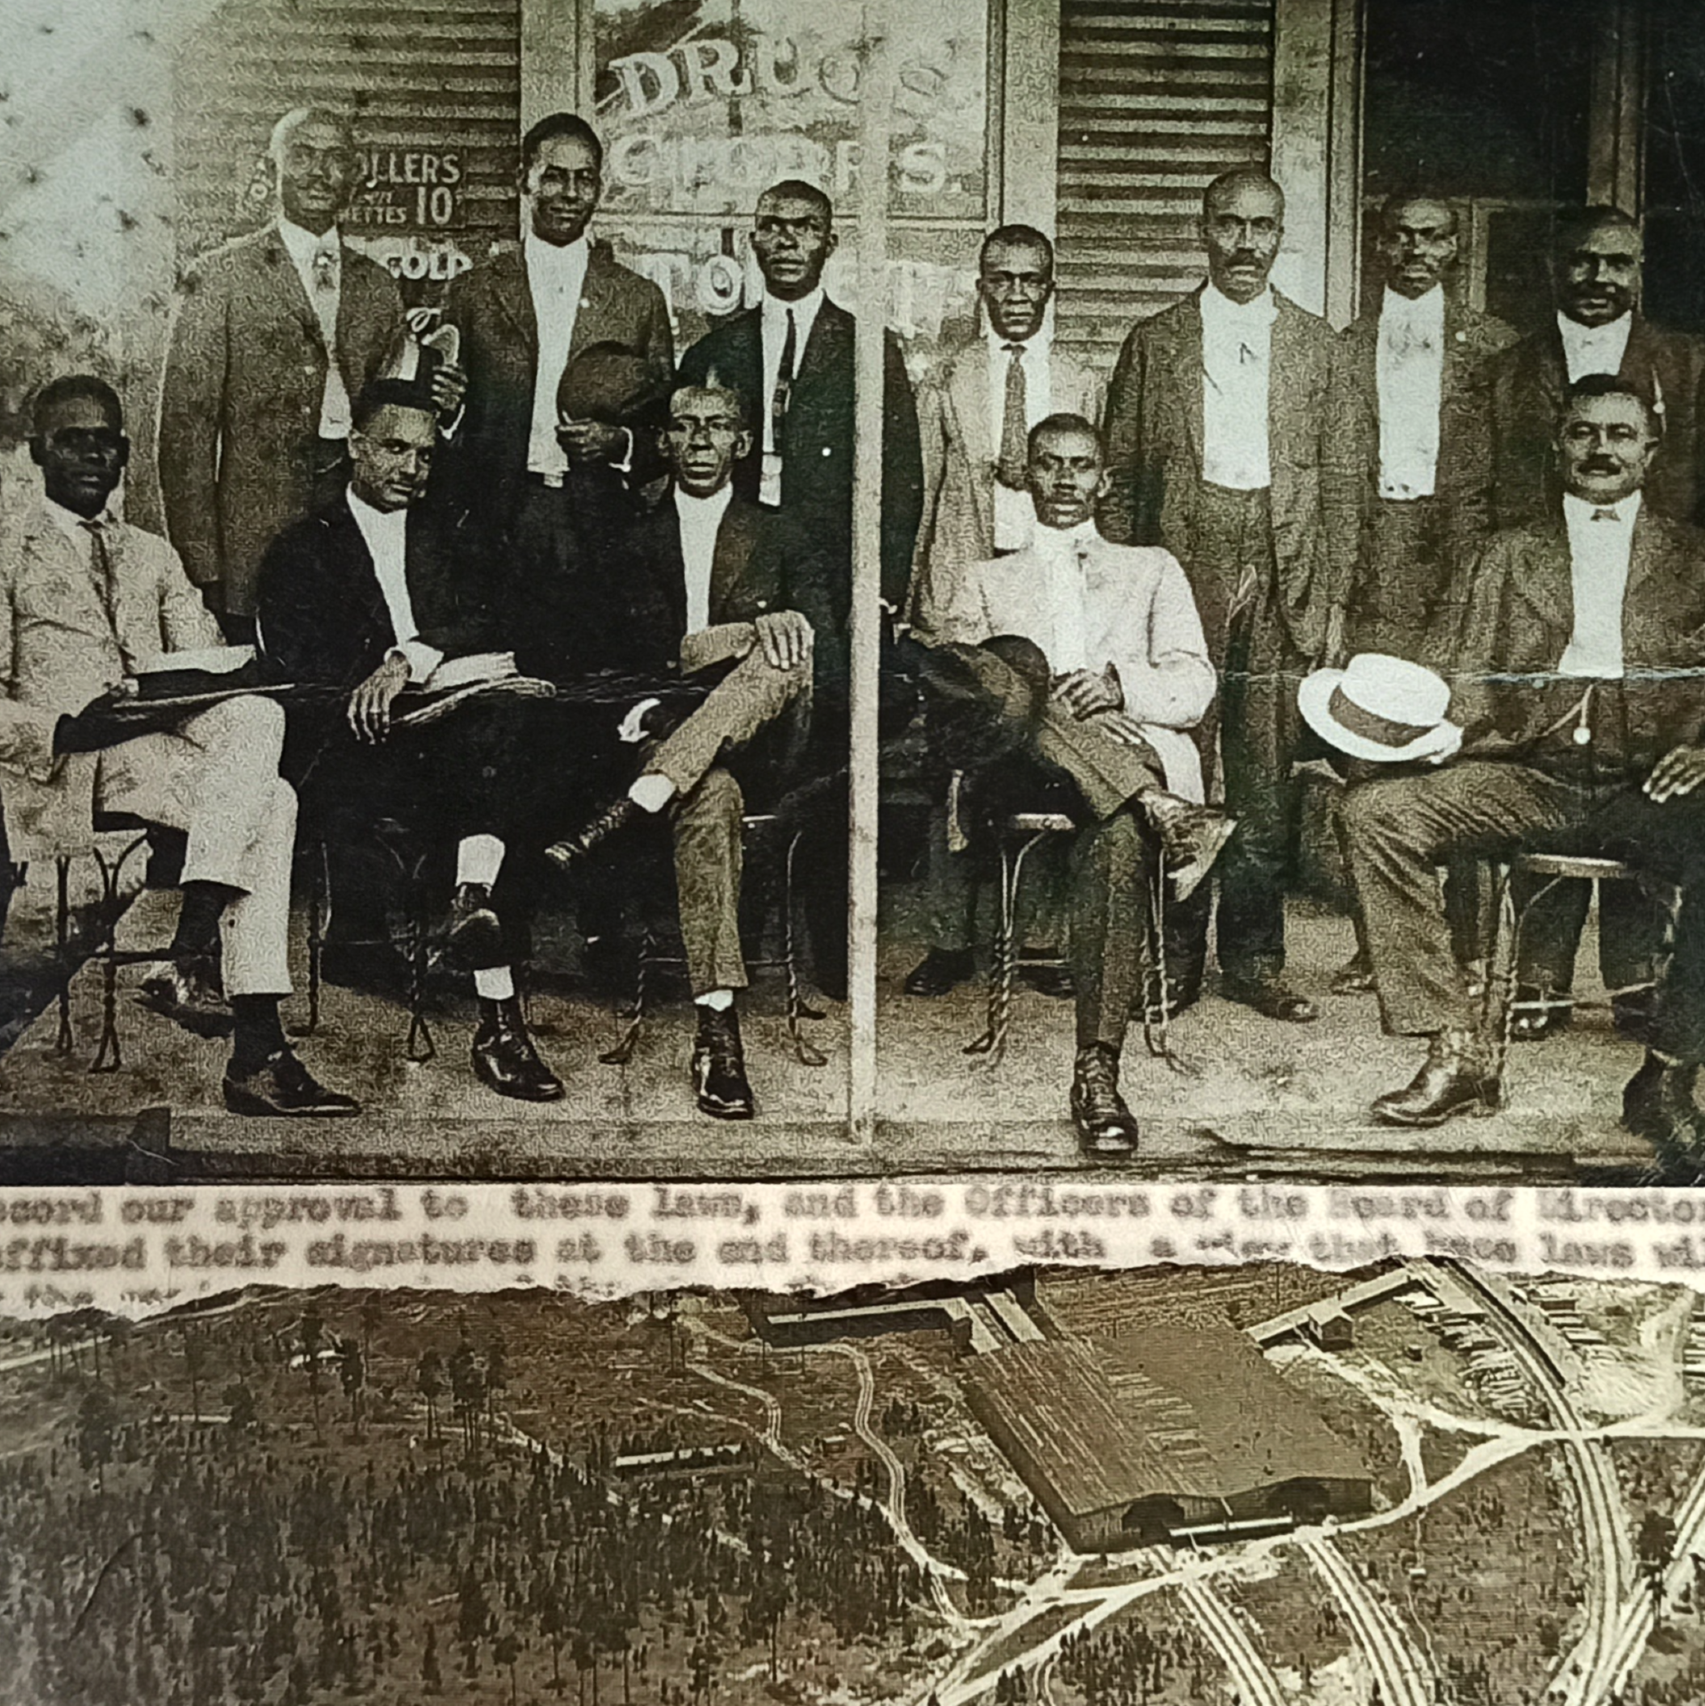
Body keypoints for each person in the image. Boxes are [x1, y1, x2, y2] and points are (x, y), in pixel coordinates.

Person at [1340, 376, 1705, 1161]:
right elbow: (1450, 671)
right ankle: (1454, 1048)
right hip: (1529, 771)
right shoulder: (1503, 552)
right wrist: (1410, 739)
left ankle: (1667, 1076)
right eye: (1582, 433)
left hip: (1648, 782)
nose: (1600, 449)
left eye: (1618, 433)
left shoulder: (1693, 555)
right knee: (1374, 815)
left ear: (1649, 448)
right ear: (1555, 448)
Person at [0, 376, 358, 1116]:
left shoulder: (150, 554)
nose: (95, 454)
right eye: (75, 439)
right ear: (38, 449)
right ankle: (243, 1030)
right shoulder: (8, 551)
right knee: (272, 799)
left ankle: (195, 959)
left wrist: (205, 680)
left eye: (109, 440)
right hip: (72, 761)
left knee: (260, 729)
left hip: (160, 747)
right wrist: (63, 728)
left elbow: (202, 659)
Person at [256, 380, 567, 1104]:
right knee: (497, 769)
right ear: (354, 447)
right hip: (355, 757)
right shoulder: (304, 549)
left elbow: (496, 621)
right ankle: (492, 989)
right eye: (394, 448)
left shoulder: (451, 535)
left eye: (426, 455)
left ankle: (475, 923)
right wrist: (377, 691)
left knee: (507, 731)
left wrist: (411, 660)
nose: (412, 469)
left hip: (445, 746)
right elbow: (303, 681)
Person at [931, 413, 1228, 1156]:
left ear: (1104, 480)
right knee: (1015, 689)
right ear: (1024, 475)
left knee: (1119, 832)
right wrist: (1042, 701)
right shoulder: (984, 577)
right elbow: (960, 698)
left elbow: (1194, 683)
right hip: (1018, 771)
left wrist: (1118, 687)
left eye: (1080, 465)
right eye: (1048, 464)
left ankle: (1096, 1068)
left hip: (1115, 765)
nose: (1064, 480)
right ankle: (1159, 804)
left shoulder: (1150, 567)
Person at [676, 178, 924, 998]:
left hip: (833, 589)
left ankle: (831, 943)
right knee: (732, 746)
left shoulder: (866, 347)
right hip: (739, 579)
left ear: (828, 243)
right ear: (752, 239)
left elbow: (899, 480)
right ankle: (732, 942)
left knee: (831, 757)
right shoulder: (718, 346)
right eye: (771, 227)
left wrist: (880, 591)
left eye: (803, 228)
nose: (785, 241)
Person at [1100, 167, 1336, 1024]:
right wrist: (1128, 598)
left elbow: (1341, 483)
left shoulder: (1317, 346)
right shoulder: (1155, 340)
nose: (1245, 242)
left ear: (1281, 235)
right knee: (1176, 760)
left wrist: (1329, 600)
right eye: (1229, 224)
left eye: (1261, 226)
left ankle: (1256, 959)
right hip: (1180, 563)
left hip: (1279, 566)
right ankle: (1170, 958)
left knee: (1266, 776)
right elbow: (1119, 476)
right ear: (1202, 231)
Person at [1473, 206, 1705, 1041]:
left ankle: (1634, 980)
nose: (1599, 278)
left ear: (1639, 270)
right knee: (1550, 761)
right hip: (1538, 594)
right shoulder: (1508, 369)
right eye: (1580, 262)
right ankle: (1536, 977)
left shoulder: (1686, 362)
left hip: (1657, 600)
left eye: (1617, 262)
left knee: (1643, 764)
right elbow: (1476, 491)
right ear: (1550, 268)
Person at [157, 107, 461, 639]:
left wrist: (439, 399)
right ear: (270, 169)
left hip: (354, 532)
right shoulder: (218, 278)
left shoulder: (376, 285)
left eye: (335, 158)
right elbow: (185, 437)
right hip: (253, 538)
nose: (319, 172)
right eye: (302, 155)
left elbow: (395, 413)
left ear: (355, 177)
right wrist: (202, 568)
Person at [1320, 193, 1516, 997]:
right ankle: (1383, 947)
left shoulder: (1496, 346)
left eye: (1431, 238)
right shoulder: (1347, 345)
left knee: (1459, 743)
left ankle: (1464, 949)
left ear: (1454, 249)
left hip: (1464, 561)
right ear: (1377, 248)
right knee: (1374, 751)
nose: (1414, 250)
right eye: (1398, 237)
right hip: (1380, 561)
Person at [904, 224, 1103, 998]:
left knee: (1054, 746)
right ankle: (949, 940)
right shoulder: (947, 377)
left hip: (1051, 582)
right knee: (954, 759)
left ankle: (1042, 942)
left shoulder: (1082, 379)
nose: (1015, 295)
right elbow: (923, 487)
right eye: (1001, 280)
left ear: (1051, 289)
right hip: (966, 582)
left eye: (1031, 280)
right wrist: (913, 586)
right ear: (979, 287)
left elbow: (1091, 488)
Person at [444, 111, 674, 542]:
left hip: (601, 524)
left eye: (584, 179)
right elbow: (446, 415)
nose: (570, 193)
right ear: (523, 180)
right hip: (495, 522)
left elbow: (664, 429)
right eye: (554, 176)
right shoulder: (471, 292)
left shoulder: (639, 298)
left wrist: (619, 443)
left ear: (599, 189)